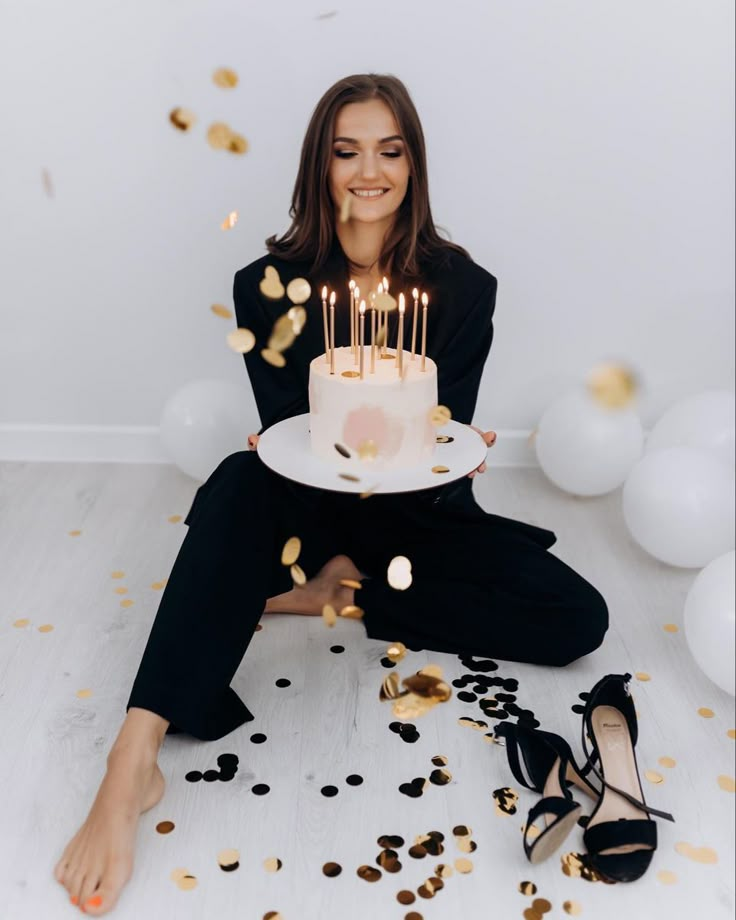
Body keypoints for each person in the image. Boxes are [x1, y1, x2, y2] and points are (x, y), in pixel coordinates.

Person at [53, 73, 609, 916]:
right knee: (241, 479)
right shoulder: (267, 284)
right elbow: (297, 444)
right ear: (321, 164)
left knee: (580, 618)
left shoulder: (464, 291)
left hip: (418, 521)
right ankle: (133, 758)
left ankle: (334, 594)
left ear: (414, 165)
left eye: (390, 150)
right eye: (347, 151)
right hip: (308, 513)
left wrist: (458, 446)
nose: (369, 171)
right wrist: (290, 445)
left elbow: (434, 426)